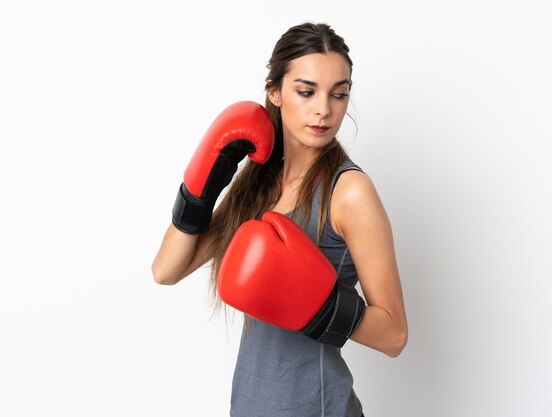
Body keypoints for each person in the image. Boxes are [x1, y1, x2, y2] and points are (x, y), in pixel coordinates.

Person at [152, 22, 408, 417]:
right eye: (306, 92)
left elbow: (394, 335)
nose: (324, 108)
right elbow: (166, 270)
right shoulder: (258, 183)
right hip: (251, 405)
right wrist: (202, 189)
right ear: (275, 92)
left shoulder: (349, 192)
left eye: (339, 94)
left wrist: (318, 304)